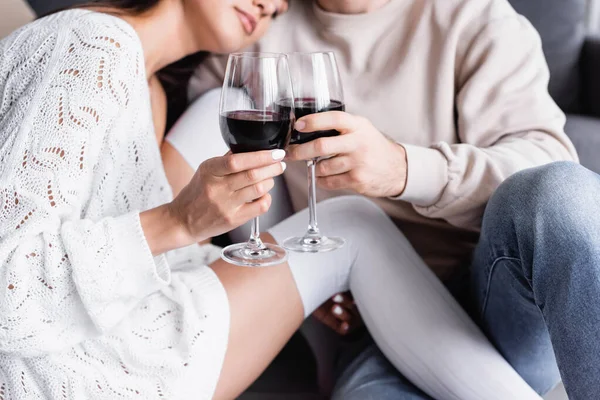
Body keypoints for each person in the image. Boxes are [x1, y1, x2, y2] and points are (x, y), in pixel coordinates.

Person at [0, 0, 553, 399]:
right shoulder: (90, 44)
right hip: (81, 366)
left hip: (124, 331)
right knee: (352, 223)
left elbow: (550, 175)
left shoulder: (146, 87)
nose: (273, 4)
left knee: (342, 221)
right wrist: (178, 221)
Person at [169, 0, 587, 397]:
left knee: (561, 193)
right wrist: (298, 273)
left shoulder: (474, 17)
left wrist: (404, 169)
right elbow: (203, 157)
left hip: (492, 289)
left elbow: (551, 180)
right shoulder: (258, 24)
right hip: (371, 326)